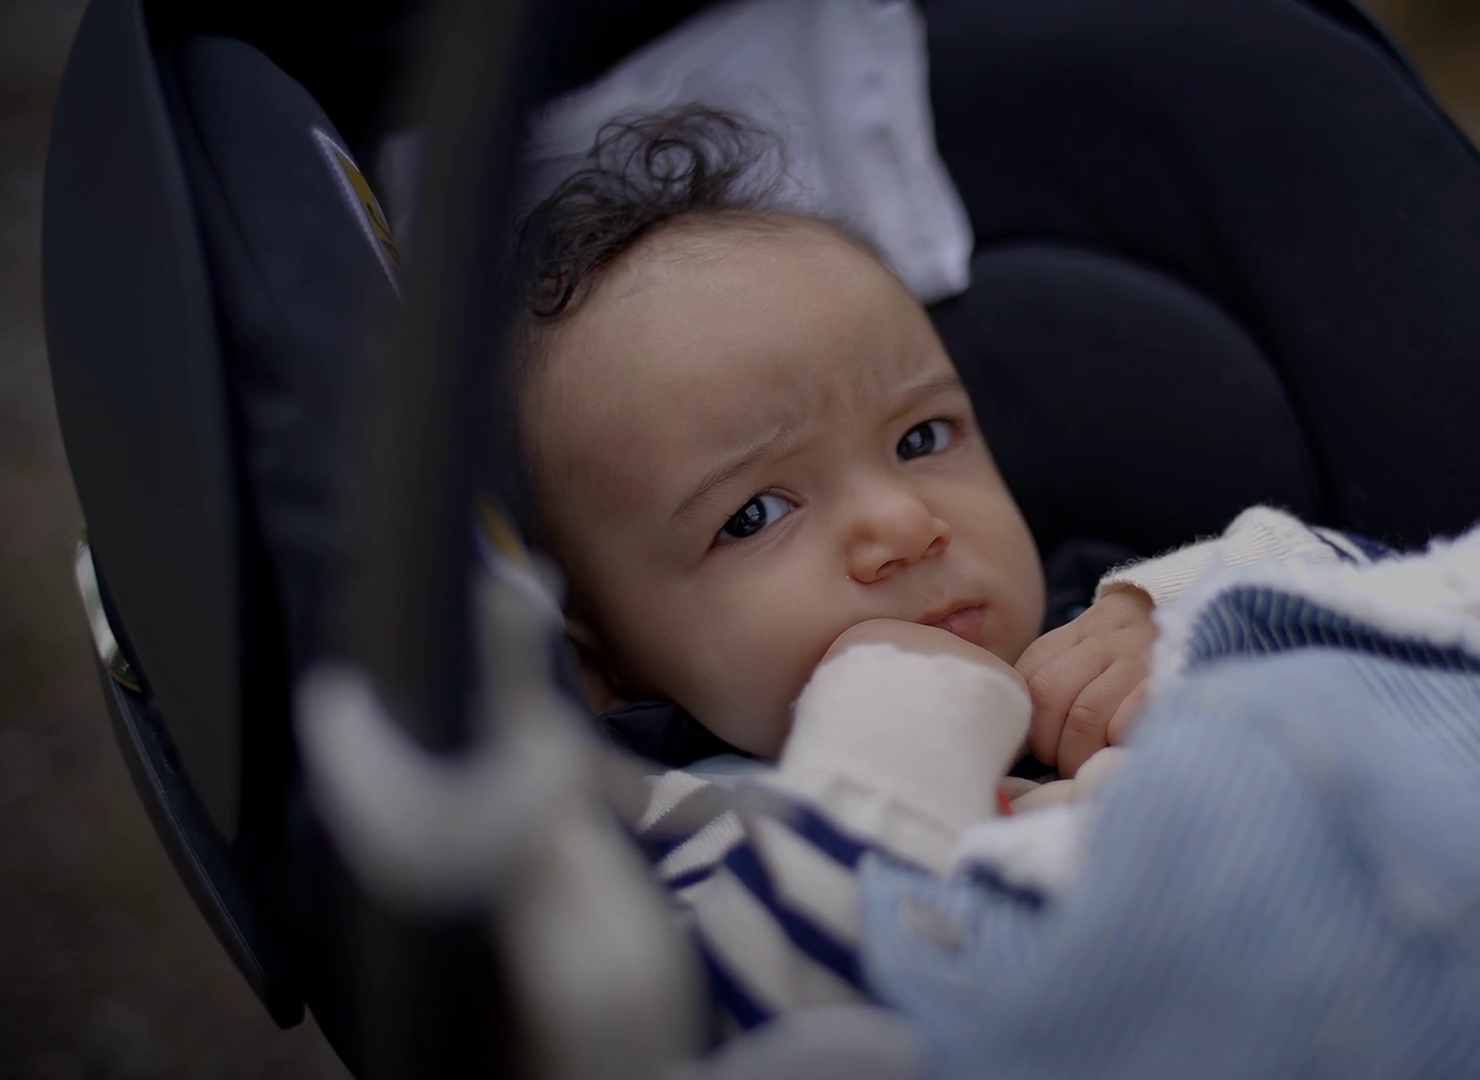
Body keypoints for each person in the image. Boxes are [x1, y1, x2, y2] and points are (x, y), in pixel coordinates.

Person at [508, 107, 1363, 1031]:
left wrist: (1194, 609)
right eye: (754, 515)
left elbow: (1416, 614)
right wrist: (900, 719)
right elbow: (737, 1014)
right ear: (600, 662)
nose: (906, 525)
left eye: (922, 438)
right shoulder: (679, 836)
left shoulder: (1106, 618)